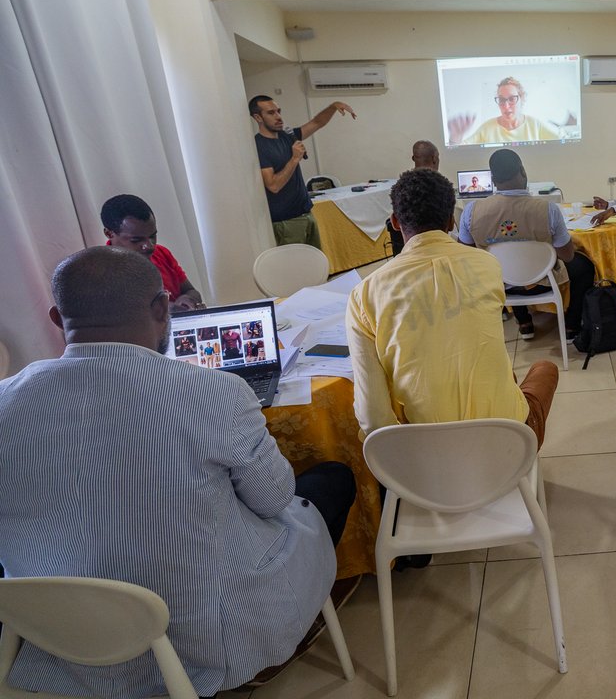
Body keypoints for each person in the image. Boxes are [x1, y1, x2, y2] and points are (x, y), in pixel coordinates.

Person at [0, 246, 356, 697]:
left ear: (56, 318)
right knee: (329, 481)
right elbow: (272, 499)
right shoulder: (215, 393)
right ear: (161, 307)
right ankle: (289, 630)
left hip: (60, 628)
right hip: (201, 630)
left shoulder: (4, 401)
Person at [346, 169, 560, 446]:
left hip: (428, 458)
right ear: (450, 221)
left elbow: (372, 417)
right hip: (506, 443)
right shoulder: (487, 265)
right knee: (543, 369)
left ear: (395, 223)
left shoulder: (364, 294)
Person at [458, 149, 595, 341]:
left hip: (498, 285)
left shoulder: (472, 211)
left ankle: (524, 322)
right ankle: (571, 326)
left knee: (505, 265)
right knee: (584, 267)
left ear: (493, 179)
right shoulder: (548, 210)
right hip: (543, 282)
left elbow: (465, 252)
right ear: (523, 171)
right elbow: (568, 256)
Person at [249, 95, 357, 247]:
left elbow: (317, 123)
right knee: (296, 268)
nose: (278, 117)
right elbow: (273, 185)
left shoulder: (287, 136)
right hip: (286, 222)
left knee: (316, 263)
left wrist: (333, 106)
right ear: (258, 117)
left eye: (278, 111)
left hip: (306, 213)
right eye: (271, 113)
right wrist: (294, 159)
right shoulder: (259, 146)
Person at [101, 194, 203, 312]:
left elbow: (192, 291)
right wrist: (168, 309)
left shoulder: (161, 253)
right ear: (109, 234)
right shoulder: (103, 272)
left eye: (152, 236)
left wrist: (187, 298)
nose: (149, 246)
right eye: (136, 240)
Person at [448, 76, 563, 145]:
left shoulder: (535, 125)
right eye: (501, 100)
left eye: (512, 99)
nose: (506, 106)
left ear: (521, 99)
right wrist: (455, 136)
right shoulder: (487, 128)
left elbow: (561, 143)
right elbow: (459, 148)